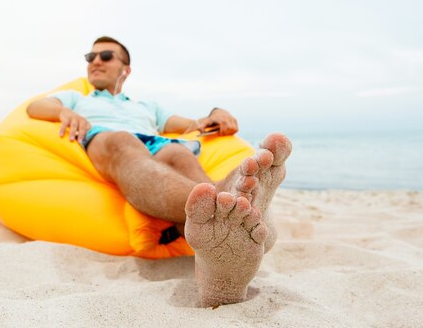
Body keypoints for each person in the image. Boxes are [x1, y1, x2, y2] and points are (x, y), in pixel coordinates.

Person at [26, 36, 292, 306]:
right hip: (107, 138)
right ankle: (230, 203)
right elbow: (35, 106)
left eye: (105, 56)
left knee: (178, 152)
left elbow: (193, 125)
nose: (95, 61)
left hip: (157, 143)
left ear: (125, 70)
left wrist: (217, 112)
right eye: (90, 57)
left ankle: (221, 248)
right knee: (123, 141)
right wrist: (64, 114)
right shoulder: (77, 98)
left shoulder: (146, 107)